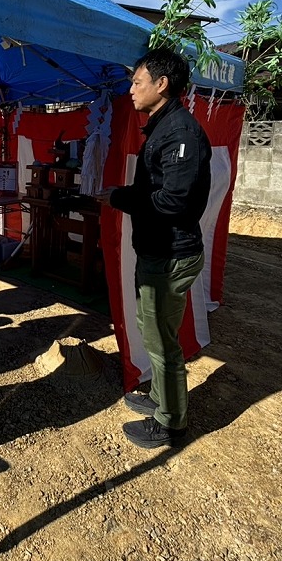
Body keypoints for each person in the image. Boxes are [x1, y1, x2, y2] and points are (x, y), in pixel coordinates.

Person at [108, 47, 211, 450]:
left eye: (137, 82)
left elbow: (174, 201)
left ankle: (171, 423)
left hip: (171, 254)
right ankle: (159, 399)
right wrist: (119, 194)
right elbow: (153, 188)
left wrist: (121, 199)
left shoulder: (180, 132)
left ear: (161, 84)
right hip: (157, 251)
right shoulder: (162, 126)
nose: (131, 89)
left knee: (162, 341)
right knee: (152, 331)